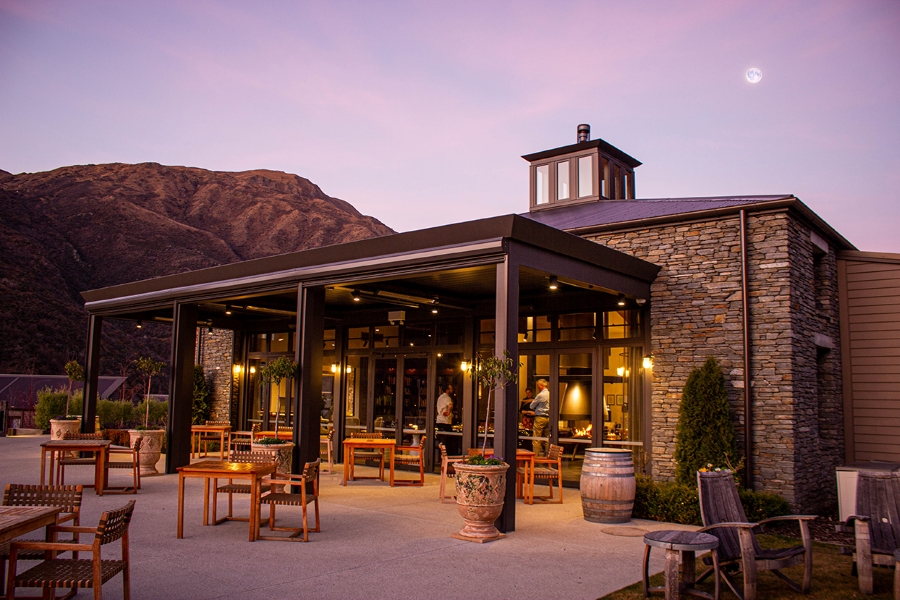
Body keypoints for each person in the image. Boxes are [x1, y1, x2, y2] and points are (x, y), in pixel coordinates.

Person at [529, 379, 550, 456]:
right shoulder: (550, 394)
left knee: (537, 438)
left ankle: (535, 457)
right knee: (547, 438)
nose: (537, 387)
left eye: (538, 385)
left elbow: (532, 406)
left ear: (541, 386)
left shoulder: (540, 395)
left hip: (540, 418)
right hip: (548, 418)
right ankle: (548, 456)